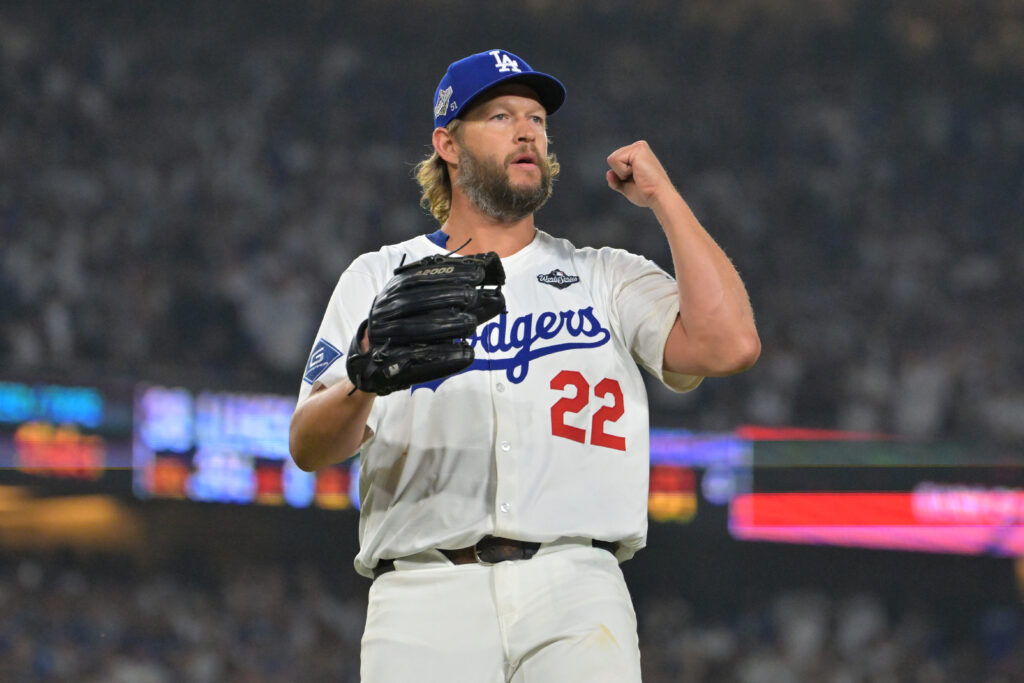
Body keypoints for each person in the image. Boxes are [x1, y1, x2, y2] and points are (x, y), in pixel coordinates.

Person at [289, 48, 760, 682]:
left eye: (537, 119)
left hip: (577, 588)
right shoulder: (380, 277)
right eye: (501, 116)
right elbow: (308, 447)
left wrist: (665, 199)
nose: (527, 132)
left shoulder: (604, 275)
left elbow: (730, 345)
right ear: (448, 145)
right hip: (424, 596)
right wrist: (363, 377)